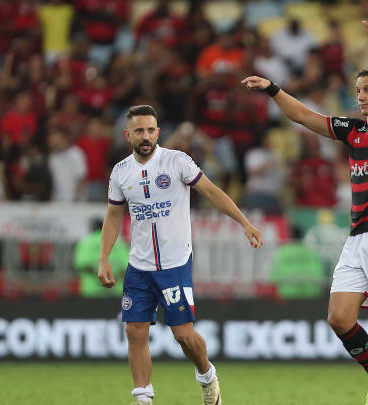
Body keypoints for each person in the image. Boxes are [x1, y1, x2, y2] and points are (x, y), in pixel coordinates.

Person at [242, 10, 368, 405]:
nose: (360, 96)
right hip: (357, 236)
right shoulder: (353, 132)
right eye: (357, 90)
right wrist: (272, 88)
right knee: (339, 318)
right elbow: (303, 115)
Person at [98, 105, 263, 405]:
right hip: (139, 266)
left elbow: (212, 192)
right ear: (128, 135)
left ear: (158, 132)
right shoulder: (120, 173)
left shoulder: (177, 162)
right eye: (139, 131)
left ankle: (206, 375)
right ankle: (143, 397)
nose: (145, 136)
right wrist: (104, 258)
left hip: (175, 264)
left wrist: (244, 222)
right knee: (135, 331)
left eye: (150, 130)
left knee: (183, 336)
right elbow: (112, 216)